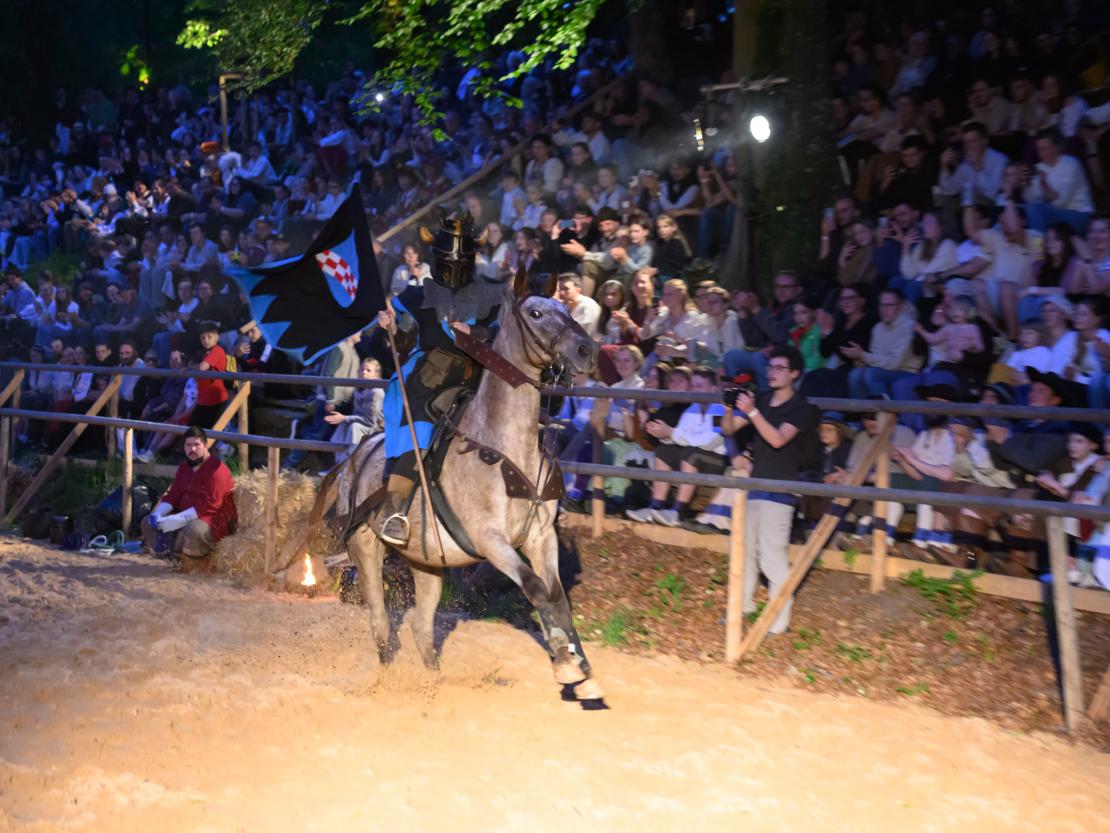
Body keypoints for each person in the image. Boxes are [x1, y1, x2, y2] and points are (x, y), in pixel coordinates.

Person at [372, 214, 503, 546]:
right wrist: (391, 324)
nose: (455, 264)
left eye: (462, 258)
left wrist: (478, 331)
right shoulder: (418, 295)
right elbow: (401, 340)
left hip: (478, 375)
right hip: (429, 378)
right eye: (449, 258)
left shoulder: (490, 294)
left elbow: (506, 335)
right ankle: (395, 510)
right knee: (421, 425)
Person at [725, 345, 817, 635]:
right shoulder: (762, 400)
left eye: (779, 368)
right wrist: (729, 405)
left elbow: (778, 439)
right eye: (771, 367)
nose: (772, 373)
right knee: (746, 552)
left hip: (781, 489)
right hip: (756, 485)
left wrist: (751, 411)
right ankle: (743, 607)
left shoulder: (802, 407)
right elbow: (729, 430)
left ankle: (779, 620)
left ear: (794, 374)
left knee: (772, 557)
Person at [141, 426, 237, 573]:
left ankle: (194, 562)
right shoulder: (184, 467)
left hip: (211, 520)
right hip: (184, 514)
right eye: (188, 445)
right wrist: (158, 514)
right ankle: (171, 555)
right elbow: (173, 494)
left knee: (193, 530)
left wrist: (178, 519)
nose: (192, 449)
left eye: (196, 445)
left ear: (205, 446)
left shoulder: (217, 471)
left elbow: (211, 506)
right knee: (147, 522)